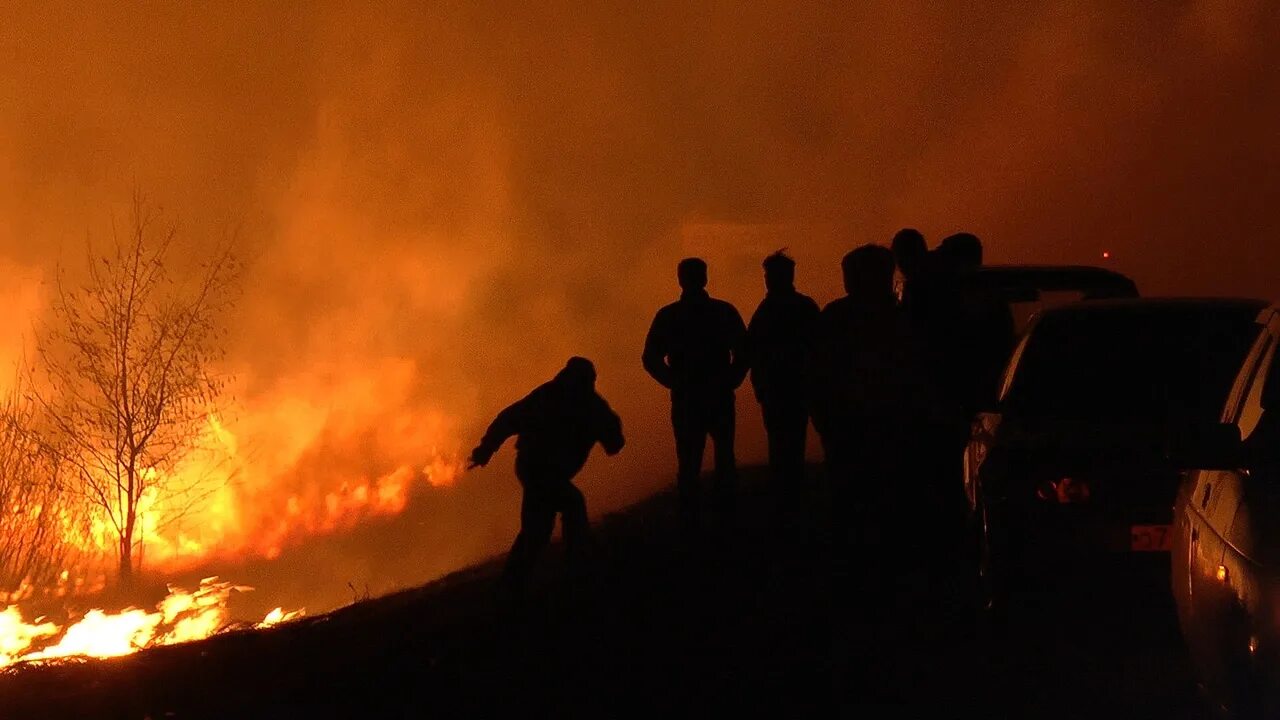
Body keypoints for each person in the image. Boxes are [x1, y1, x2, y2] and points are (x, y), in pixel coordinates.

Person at [468, 357, 624, 596]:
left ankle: (512, 585)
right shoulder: (552, 397)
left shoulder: (587, 405)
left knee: (538, 528)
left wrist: (486, 449)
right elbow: (509, 420)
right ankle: (574, 570)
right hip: (536, 468)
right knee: (570, 506)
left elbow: (613, 443)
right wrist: (486, 449)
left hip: (542, 470)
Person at [810, 245, 927, 540]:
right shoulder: (905, 318)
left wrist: (823, 416)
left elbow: (818, 372)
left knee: (853, 498)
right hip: (882, 424)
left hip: (854, 424)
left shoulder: (837, 317)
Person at [642, 258, 748, 522]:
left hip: (689, 399)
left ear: (680, 280)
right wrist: (731, 379)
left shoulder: (670, 316)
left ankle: (691, 521)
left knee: (689, 464)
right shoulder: (722, 311)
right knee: (723, 458)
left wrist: (674, 382)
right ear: (705, 278)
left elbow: (651, 358)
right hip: (716, 396)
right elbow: (744, 351)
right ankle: (727, 517)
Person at [745, 250, 820, 491]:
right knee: (794, 440)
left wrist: (759, 385)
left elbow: (751, 350)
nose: (767, 279)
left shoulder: (766, 311)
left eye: (769, 275)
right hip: (795, 387)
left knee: (779, 443)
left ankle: (785, 490)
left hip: (779, 389)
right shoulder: (804, 307)